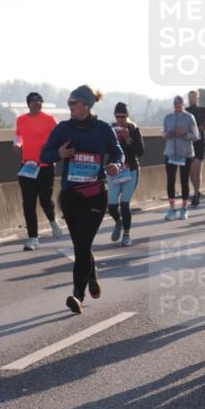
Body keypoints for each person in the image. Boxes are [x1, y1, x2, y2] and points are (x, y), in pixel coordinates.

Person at [40, 85, 124, 314]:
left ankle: (78, 295)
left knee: (83, 244)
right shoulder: (63, 129)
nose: (69, 106)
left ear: (86, 105)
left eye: (73, 103)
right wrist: (59, 154)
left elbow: (118, 152)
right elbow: (44, 154)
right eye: (68, 103)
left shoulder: (103, 129)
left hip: (95, 194)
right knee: (80, 244)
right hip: (71, 195)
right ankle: (92, 274)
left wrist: (116, 165)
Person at [15, 91, 63, 251]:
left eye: (39, 101)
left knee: (45, 200)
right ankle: (33, 238)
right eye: (33, 101)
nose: (37, 103)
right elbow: (19, 136)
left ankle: (52, 221)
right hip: (27, 167)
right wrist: (17, 144)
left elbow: (59, 138)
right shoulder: (21, 120)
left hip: (45, 166)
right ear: (28, 104)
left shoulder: (49, 119)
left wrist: (50, 147)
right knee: (28, 204)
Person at [107, 102, 144, 247]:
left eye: (122, 117)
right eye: (117, 117)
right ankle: (118, 222)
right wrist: (113, 139)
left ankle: (127, 234)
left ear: (127, 116)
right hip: (115, 171)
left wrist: (128, 139)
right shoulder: (111, 129)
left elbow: (140, 152)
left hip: (131, 170)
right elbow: (104, 149)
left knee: (124, 204)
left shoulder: (134, 129)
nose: (120, 120)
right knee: (112, 206)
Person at [162, 95, 199, 220]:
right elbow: (163, 133)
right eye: (175, 103)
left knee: (184, 181)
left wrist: (184, 133)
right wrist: (166, 134)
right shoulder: (168, 117)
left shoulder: (189, 117)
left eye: (179, 103)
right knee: (170, 181)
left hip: (185, 154)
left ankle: (184, 208)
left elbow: (196, 136)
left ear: (183, 104)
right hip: (170, 153)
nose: (177, 105)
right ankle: (172, 209)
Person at [185, 90, 205, 206]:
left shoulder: (203, 110)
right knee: (191, 172)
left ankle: (196, 194)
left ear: (197, 98)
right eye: (189, 97)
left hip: (200, 143)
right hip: (189, 143)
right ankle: (197, 190)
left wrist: (204, 127)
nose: (191, 99)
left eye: (193, 97)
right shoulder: (185, 112)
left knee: (197, 168)